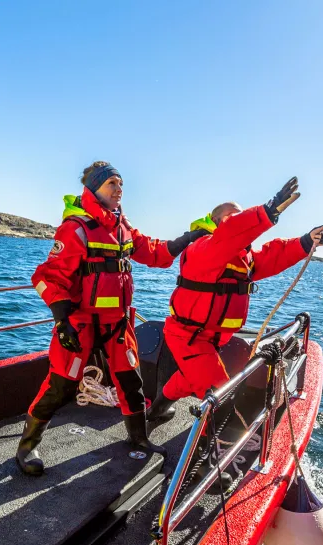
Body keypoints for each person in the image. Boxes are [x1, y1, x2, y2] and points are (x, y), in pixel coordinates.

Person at [18, 161, 207, 476]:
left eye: (121, 185)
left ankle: (138, 438)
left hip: (117, 324)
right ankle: (28, 445)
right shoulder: (76, 228)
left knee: (131, 382)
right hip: (79, 323)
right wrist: (62, 320)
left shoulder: (123, 228)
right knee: (61, 385)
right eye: (112, 185)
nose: (119, 190)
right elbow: (47, 276)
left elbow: (154, 252)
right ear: (94, 189)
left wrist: (187, 238)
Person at [146, 177, 323, 457]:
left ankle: (157, 409)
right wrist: (267, 212)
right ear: (217, 222)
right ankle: (206, 459)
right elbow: (231, 235)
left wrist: (307, 241)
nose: (239, 220)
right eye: (233, 216)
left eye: (241, 215)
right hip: (188, 337)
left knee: (187, 379)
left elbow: (272, 255)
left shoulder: (242, 258)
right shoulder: (202, 248)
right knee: (220, 397)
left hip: (211, 338)